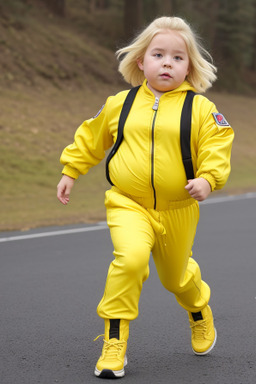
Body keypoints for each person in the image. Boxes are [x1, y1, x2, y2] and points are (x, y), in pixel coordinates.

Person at [57, 16, 234, 379]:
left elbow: (217, 145)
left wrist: (208, 179)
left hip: (177, 209)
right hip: (128, 203)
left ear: (190, 67)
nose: (167, 62)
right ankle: (114, 344)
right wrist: (70, 170)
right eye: (158, 54)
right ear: (141, 61)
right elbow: (91, 138)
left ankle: (199, 310)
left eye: (177, 57)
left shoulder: (200, 109)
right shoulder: (119, 104)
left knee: (175, 279)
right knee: (131, 260)